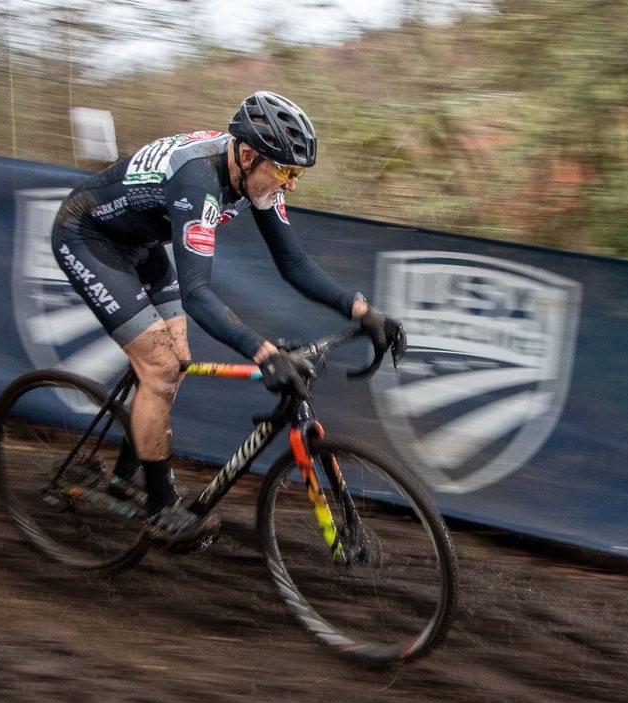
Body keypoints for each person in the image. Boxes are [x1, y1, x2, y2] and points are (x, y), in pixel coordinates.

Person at [50, 91, 406, 548]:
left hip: (139, 241)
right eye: (284, 171)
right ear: (246, 154)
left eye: (296, 173)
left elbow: (293, 264)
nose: (291, 184)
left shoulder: (256, 176)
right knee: (159, 366)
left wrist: (363, 311)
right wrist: (263, 352)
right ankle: (160, 509)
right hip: (88, 235)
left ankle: (125, 473)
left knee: (177, 357)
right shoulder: (199, 180)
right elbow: (198, 295)